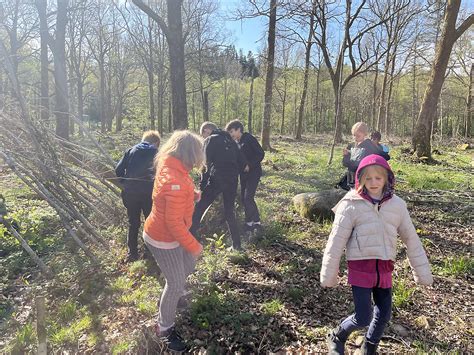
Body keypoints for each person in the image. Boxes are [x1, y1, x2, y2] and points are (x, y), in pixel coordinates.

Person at [321, 154, 433, 355]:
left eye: (378, 178)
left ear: (387, 179)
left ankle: (369, 347)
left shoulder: (397, 205)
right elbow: (336, 239)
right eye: (368, 178)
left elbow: (411, 239)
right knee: (363, 316)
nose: (373, 183)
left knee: (384, 314)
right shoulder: (350, 204)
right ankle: (337, 335)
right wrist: (329, 273)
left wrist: (422, 272)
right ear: (361, 179)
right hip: (360, 268)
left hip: (384, 268)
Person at [143, 130, 204, 352]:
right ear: (190, 154)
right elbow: (174, 225)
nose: (201, 157)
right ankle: (164, 329)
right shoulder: (174, 179)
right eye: (199, 152)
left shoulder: (174, 167)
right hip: (163, 238)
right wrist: (194, 246)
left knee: (188, 265)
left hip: (169, 233)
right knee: (176, 282)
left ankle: (174, 294)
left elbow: (174, 197)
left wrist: (192, 195)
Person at [190, 122, 244, 251]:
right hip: (232, 179)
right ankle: (237, 246)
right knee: (229, 211)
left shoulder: (210, 140)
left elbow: (206, 165)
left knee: (200, 207)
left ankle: (189, 239)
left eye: (203, 134)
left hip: (218, 178)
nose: (203, 138)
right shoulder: (230, 141)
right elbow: (240, 160)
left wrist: (202, 187)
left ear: (208, 131)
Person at [115, 130, 160, 262]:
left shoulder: (130, 151)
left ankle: (132, 253)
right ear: (156, 142)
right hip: (148, 192)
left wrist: (126, 182)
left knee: (133, 223)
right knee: (150, 222)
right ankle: (149, 251)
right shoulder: (156, 153)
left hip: (130, 193)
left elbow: (118, 170)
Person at [225, 119, 265, 232]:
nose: (231, 134)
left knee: (248, 197)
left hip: (254, 172)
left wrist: (250, 165)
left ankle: (257, 223)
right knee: (243, 198)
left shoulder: (249, 138)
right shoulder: (235, 143)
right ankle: (249, 223)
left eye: (232, 131)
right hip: (243, 174)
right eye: (229, 133)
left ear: (239, 129)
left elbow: (260, 153)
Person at [340, 122, 381, 190]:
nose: (355, 138)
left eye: (358, 136)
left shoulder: (369, 146)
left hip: (364, 178)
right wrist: (346, 155)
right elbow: (345, 164)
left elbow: (375, 162)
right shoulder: (351, 146)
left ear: (365, 134)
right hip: (350, 177)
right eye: (354, 135)